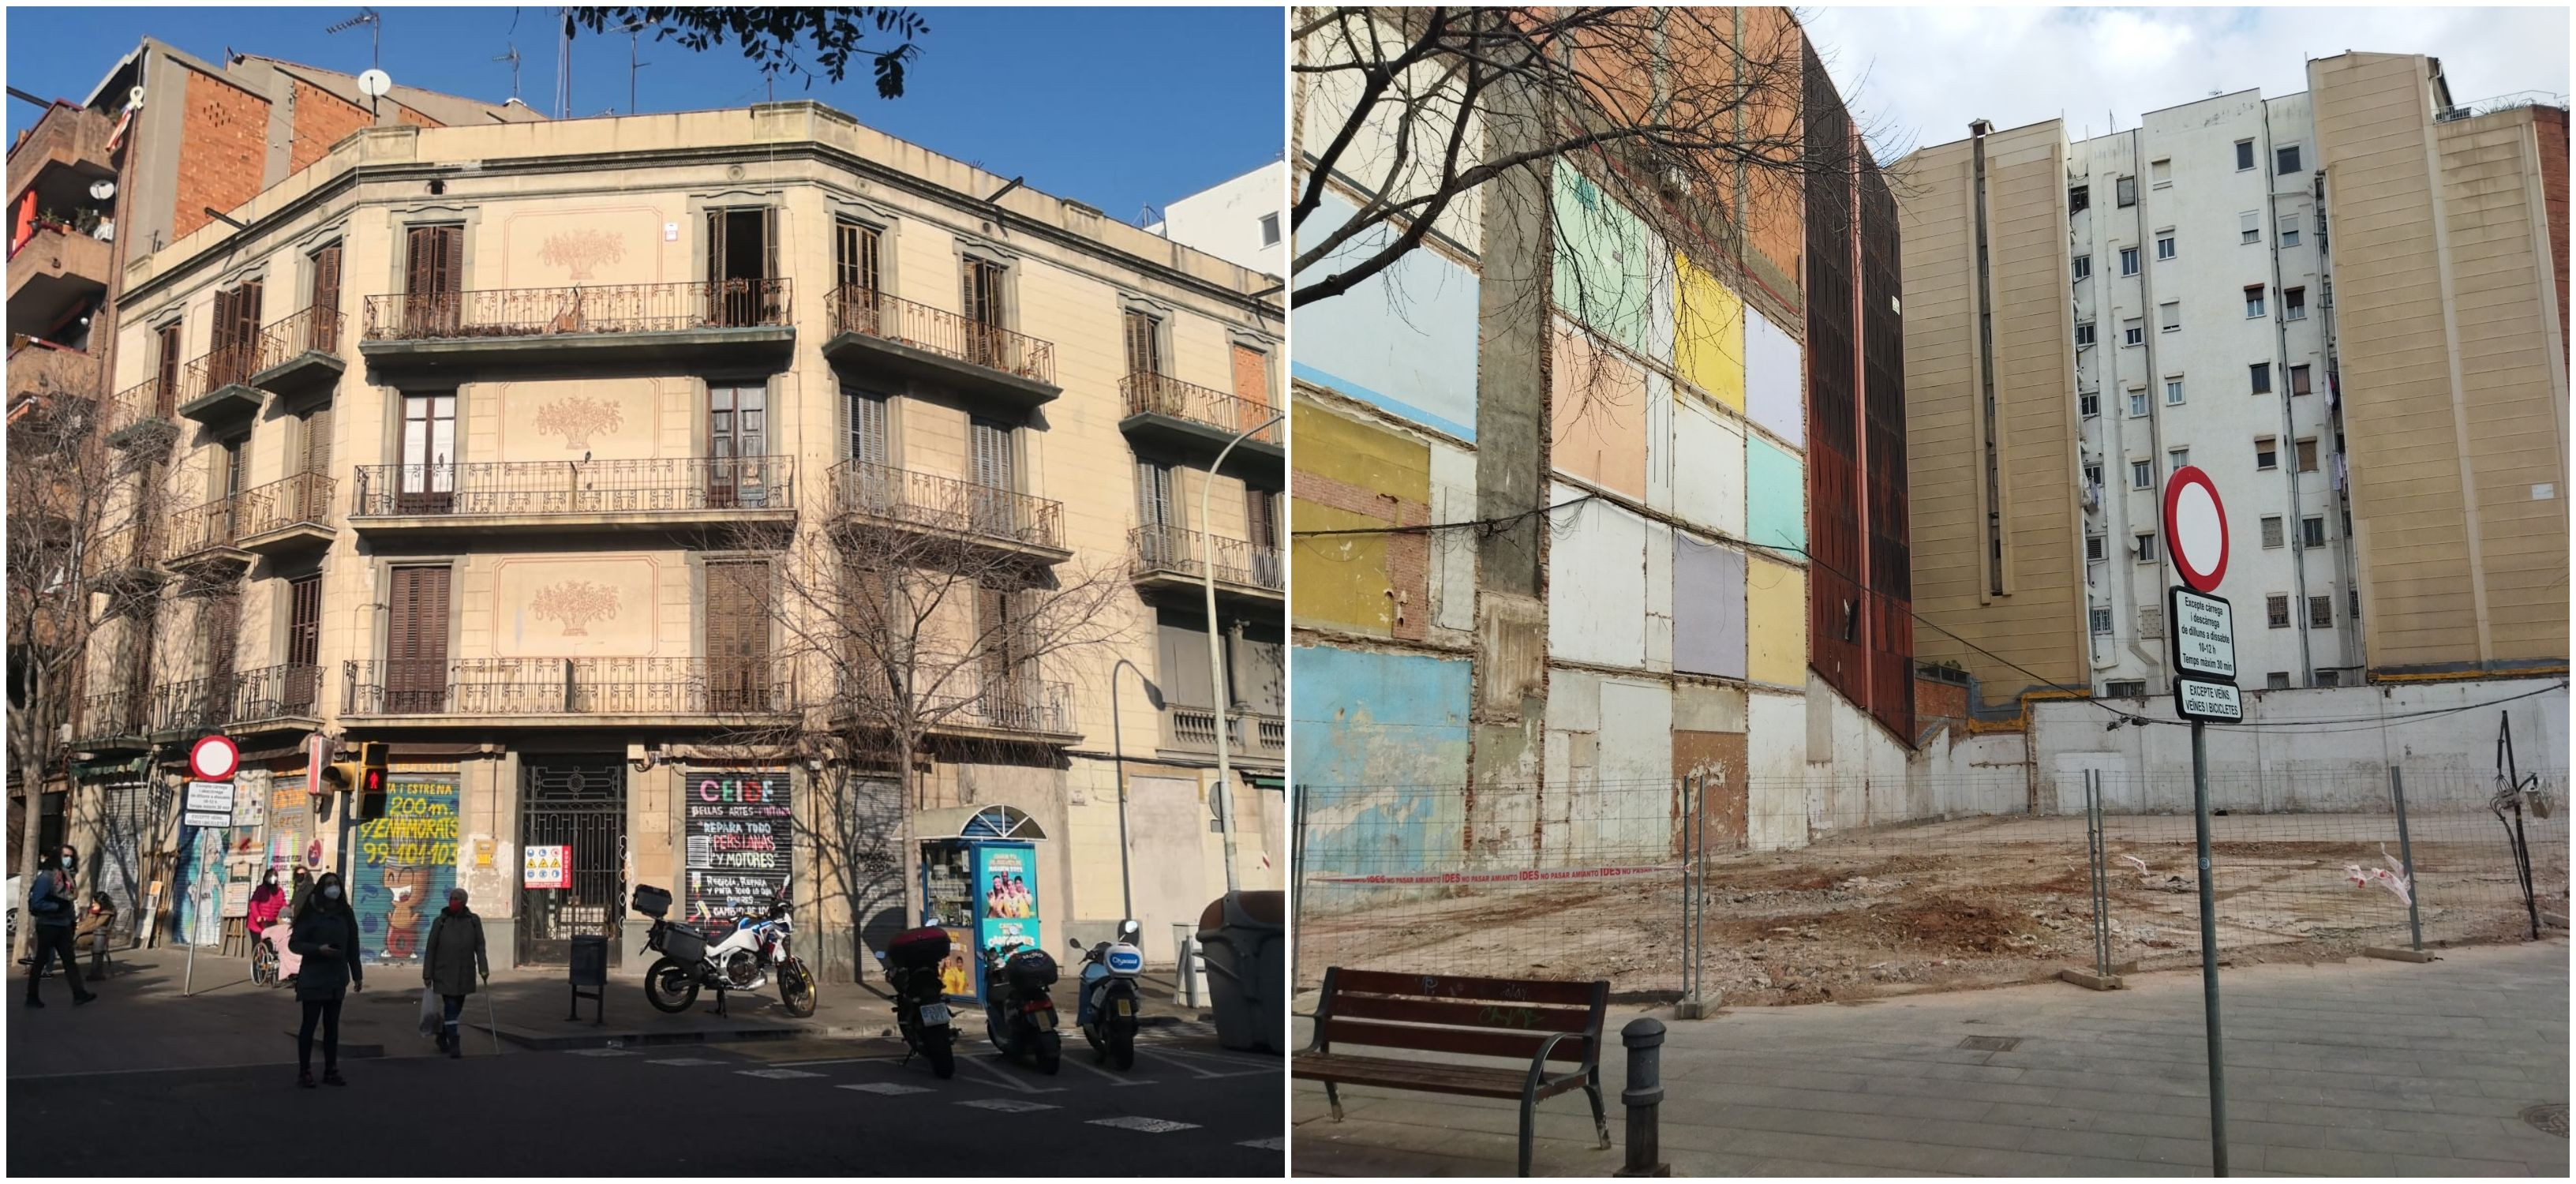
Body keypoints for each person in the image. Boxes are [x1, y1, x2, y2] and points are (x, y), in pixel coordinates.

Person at [287, 871, 364, 1087]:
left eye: (336, 884)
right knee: (309, 1025)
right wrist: (318, 949)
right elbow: (295, 943)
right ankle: (305, 1071)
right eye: (329, 884)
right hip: (313, 977)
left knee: (332, 1027)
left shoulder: (345, 913)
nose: (333, 887)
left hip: (337, 978)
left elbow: (353, 945)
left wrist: (357, 974)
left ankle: (331, 1070)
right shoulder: (311, 913)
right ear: (322, 888)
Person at [421, 886, 489, 1058]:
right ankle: (454, 1043)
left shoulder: (473, 921)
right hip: (444, 973)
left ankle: (443, 1035)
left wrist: (483, 967)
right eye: (452, 898)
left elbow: (480, 946)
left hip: (465, 973)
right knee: (451, 1007)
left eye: (457, 898)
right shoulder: (440, 922)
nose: (454, 901)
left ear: (464, 902)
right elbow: (431, 949)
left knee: (457, 1008)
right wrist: (427, 974)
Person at [24, 848, 95, 1007]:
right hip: (47, 926)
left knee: (69, 961)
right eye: (65, 856)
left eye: (71, 856)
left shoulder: (67, 878)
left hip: (63, 926)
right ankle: (32, 997)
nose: (68, 859)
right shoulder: (46, 878)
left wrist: (71, 922)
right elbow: (37, 903)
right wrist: (56, 907)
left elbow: (69, 902)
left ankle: (79, 994)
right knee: (41, 961)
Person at [247, 870, 285, 976]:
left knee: (269, 948)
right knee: (258, 946)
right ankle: (256, 971)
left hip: (271, 924)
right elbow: (253, 904)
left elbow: (283, 904)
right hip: (257, 924)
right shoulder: (260, 889)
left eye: (275, 876)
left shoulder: (279, 891)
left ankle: (267, 969)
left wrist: (286, 915)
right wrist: (258, 916)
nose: (273, 878)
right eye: (271, 876)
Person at [73, 893, 118, 978]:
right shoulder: (95, 911)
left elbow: (96, 926)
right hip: (87, 933)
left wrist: (80, 930)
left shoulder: (106, 913)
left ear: (101, 903)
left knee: (68, 941)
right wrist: (78, 926)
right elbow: (86, 923)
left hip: (96, 935)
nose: (93, 904)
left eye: (95, 903)